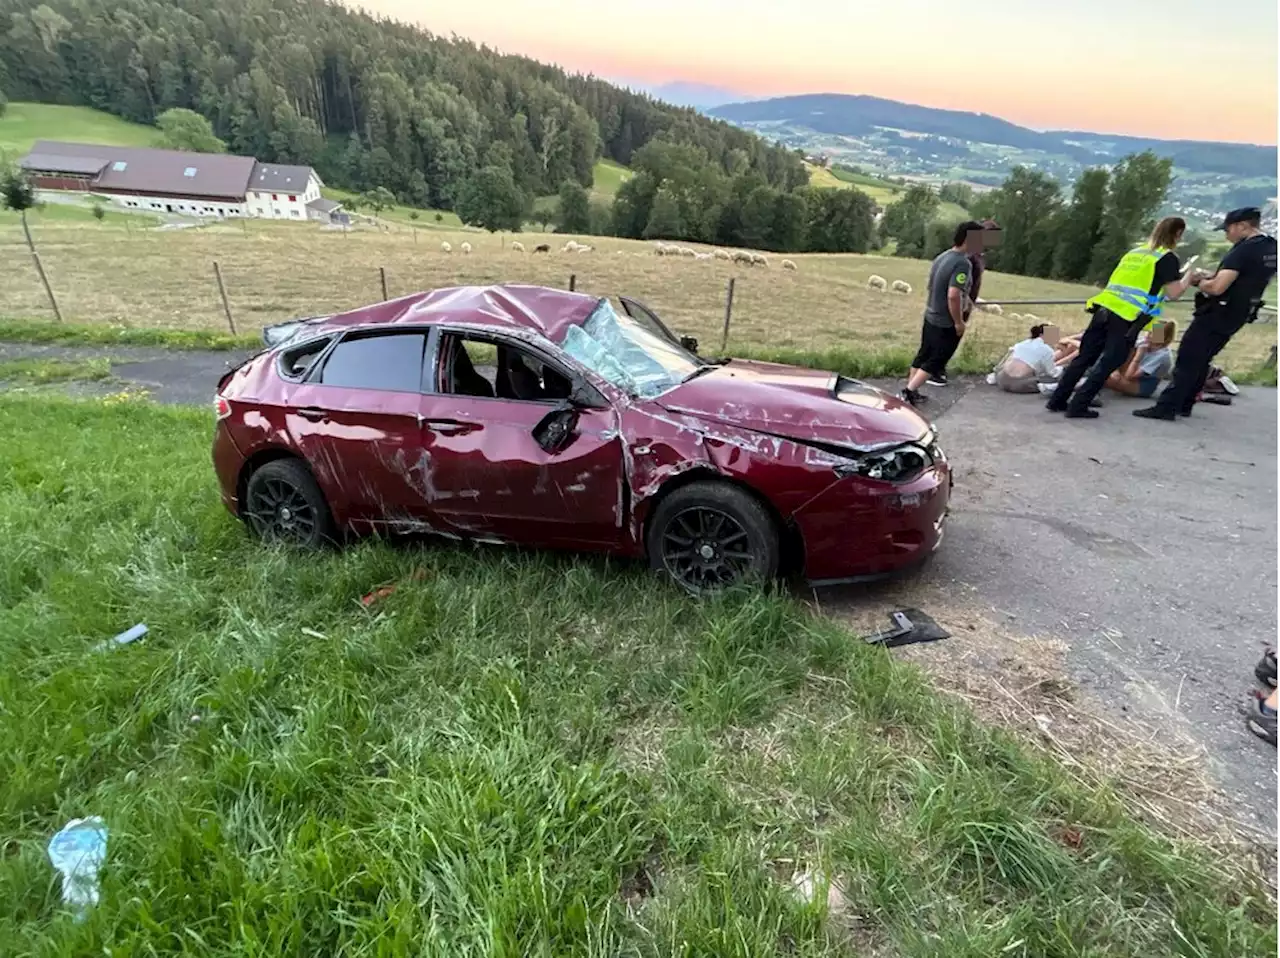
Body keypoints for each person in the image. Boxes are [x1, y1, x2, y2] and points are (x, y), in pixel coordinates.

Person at [1135, 207, 1278, 420]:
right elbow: (1245, 279)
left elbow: (1217, 288)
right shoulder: (1270, 247)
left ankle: (1167, 406)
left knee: (1188, 357)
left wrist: (1199, 281)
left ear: (1243, 226)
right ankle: (1186, 403)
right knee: (1203, 358)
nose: (1226, 235)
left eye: (1228, 229)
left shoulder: (1243, 250)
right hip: (1240, 312)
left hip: (1218, 310)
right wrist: (1214, 276)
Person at [1046, 216, 1196, 419]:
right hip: (1127, 317)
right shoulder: (1167, 258)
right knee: (1110, 361)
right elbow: (1173, 292)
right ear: (1178, 234)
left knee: (1085, 357)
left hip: (1104, 308)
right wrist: (1190, 276)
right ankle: (1079, 404)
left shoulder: (1135, 253)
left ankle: (1057, 400)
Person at [901, 220, 985, 406]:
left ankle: (912, 390)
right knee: (938, 358)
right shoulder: (963, 264)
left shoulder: (943, 256)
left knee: (924, 353)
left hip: (931, 313)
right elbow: (953, 295)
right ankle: (909, 391)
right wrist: (958, 322)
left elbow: (931, 284)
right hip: (945, 321)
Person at [932, 218, 1001, 386]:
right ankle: (935, 370)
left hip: (966, 302)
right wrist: (965, 303)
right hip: (961, 303)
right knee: (949, 336)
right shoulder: (969, 257)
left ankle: (935, 367)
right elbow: (957, 284)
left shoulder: (977, 255)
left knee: (950, 337)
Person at [1103, 321, 1176, 398]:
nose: (1147, 335)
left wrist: (1138, 355)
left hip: (1142, 383)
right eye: (1149, 331)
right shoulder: (1144, 342)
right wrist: (1115, 370)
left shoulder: (1162, 355)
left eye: (1152, 333)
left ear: (1164, 338)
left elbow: (1130, 376)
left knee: (1104, 377)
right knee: (1128, 347)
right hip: (1128, 371)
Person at [991, 323, 1062, 393]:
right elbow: (1053, 373)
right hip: (1020, 384)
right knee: (1050, 379)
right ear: (1042, 335)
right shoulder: (1047, 350)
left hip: (1001, 379)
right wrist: (1062, 368)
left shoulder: (1022, 343)